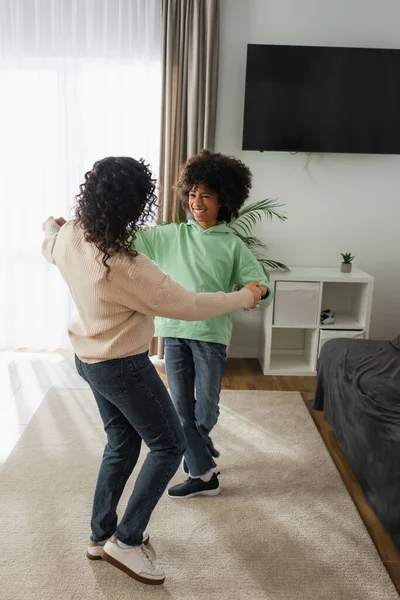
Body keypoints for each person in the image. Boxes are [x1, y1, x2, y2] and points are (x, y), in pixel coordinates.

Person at [41, 156, 264, 586]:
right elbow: (191, 305)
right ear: (135, 205)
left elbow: (49, 244)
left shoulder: (71, 235)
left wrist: (49, 226)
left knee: (121, 444)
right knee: (169, 446)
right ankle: (126, 540)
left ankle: (99, 535)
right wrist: (243, 297)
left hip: (87, 359)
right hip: (122, 364)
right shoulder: (126, 265)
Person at [134, 150, 274, 499]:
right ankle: (204, 475)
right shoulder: (170, 236)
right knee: (182, 411)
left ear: (224, 200)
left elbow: (261, 288)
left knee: (205, 412)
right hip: (175, 335)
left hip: (211, 337)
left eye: (206, 195)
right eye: (192, 193)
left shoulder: (232, 245)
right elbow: (128, 240)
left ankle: (198, 448)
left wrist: (260, 290)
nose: (197, 202)